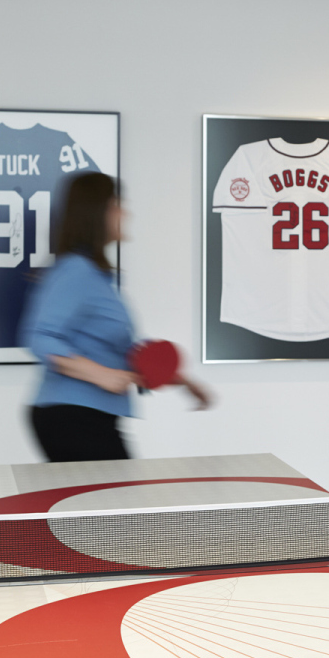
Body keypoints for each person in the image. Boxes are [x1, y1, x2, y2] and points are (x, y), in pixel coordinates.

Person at [20, 172, 210, 462]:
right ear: (97, 213)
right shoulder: (75, 271)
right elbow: (39, 338)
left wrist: (180, 380)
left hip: (88, 416)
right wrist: (99, 373)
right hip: (72, 418)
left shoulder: (96, 277)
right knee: (122, 491)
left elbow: (120, 352)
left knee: (119, 491)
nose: (126, 213)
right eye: (117, 205)